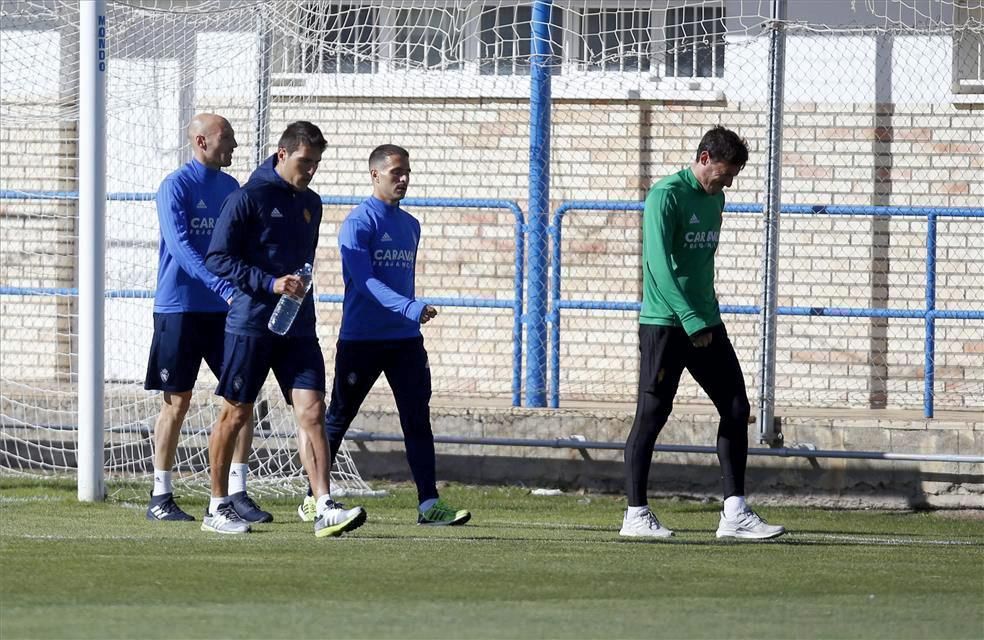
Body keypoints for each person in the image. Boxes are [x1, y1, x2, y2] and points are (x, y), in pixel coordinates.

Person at [619, 126, 785, 540]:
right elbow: (658, 264)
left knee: (736, 407)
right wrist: (689, 320)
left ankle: (734, 513)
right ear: (705, 158)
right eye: (725, 173)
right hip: (666, 324)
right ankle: (635, 515)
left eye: (734, 177)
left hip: (706, 321)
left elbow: (699, 267)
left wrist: (705, 316)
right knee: (652, 415)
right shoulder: (666, 196)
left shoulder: (717, 199)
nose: (728, 183)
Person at [204, 121, 366, 537]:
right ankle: (216, 506)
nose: (310, 170)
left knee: (312, 411)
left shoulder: (312, 202)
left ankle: (323, 502)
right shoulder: (248, 197)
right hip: (252, 324)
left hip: (298, 325)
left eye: (316, 163)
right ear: (282, 155)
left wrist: (298, 286)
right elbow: (217, 259)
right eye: (304, 161)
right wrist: (270, 282)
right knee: (236, 412)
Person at [296, 144, 470, 527]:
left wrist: (408, 316)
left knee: (416, 419)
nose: (403, 179)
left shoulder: (410, 225)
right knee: (338, 418)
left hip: (406, 341)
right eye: (396, 172)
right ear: (375, 175)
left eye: (407, 171)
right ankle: (314, 497)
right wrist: (410, 307)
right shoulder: (358, 223)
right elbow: (366, 281)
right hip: (362, 340)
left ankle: (429, 504)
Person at [144, 113, 271, 525]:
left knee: (242, 399)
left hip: (226, 311)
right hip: (179, 308)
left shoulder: (231, 188)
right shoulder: (174, 186)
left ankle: (236, 492)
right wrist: (223, 288)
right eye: (227, 137)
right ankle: (161, 494)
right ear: (201, 141)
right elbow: (181, 249)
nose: (234, 144)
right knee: (176, 402)